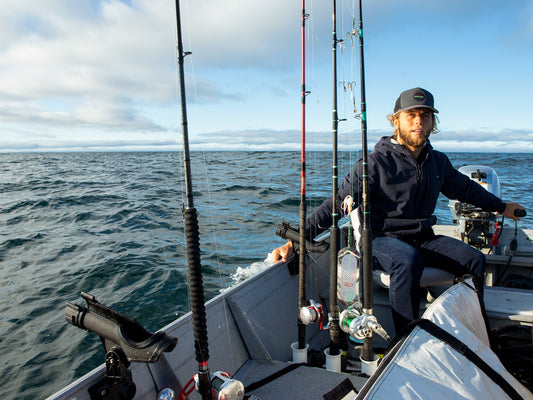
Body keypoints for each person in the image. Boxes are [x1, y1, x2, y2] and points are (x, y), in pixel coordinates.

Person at [272, 87, 526, 333]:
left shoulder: (437, 162)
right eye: (411, 115)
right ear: (396, 121)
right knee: (407, 259)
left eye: (424, 116)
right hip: (382, 241)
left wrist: (502, 207)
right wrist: (296, 240)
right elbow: (336, 205)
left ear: (431, 123)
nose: (418, 121)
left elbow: (467, 190)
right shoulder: (373, 164)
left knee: (474, 259)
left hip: (423, 239)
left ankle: (473, 329)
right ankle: (405, 339)